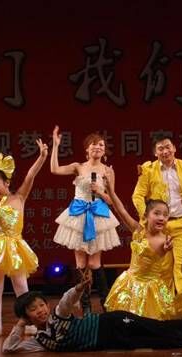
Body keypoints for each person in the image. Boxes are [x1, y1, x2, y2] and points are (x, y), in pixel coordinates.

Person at [2, 280, 182, 354]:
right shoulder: (39, 341)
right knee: (164, 341)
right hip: (113, 341)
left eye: (41, 305)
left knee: (161, 328)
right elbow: (8, 349)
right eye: (33, 309)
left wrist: (79, 288)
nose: (40, 310)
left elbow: (67, 300)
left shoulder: (57, 316)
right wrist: (21, 324)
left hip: (112, 322)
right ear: (27, 316)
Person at [0, 145, 47, 337]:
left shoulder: (19, 197)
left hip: (14, 246)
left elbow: (30, 176)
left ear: (6, 182)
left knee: (21, 287)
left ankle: (29, 323)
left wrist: (42, 157)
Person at [50, 125, 120, 313]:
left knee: (94, 263)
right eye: (94, 144)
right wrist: (55, 145)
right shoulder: (78, 167)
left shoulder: (108, 171)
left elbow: (112, 200)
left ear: (104, 150)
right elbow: (54, 169)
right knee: (81, 264)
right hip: (79, 215)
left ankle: (105, 304)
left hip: (98, 215)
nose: (97, 147)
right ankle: (86, 306)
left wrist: (101, 192)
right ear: (87, 149)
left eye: (101, 145)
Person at [102, 169, 179, 319]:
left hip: (151, 289)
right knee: (128, 320)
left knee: (150, 320)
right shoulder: (138, 230)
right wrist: (110, 191)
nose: (161, 218)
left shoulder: (165, 239)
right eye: (157, 213)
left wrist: (166, 249)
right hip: (130, 284)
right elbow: (120, 210)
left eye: (165, 215)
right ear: (146, 215)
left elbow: (165, 257)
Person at [132, 135, 182, 296]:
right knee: (162, 269)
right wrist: (147, 217)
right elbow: (137, 195)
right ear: (155, 153)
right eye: (160, 148)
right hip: (158, 227)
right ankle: (165, 305)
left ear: (174, 148)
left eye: (168, 147)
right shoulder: (148, 170)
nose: (165, 151)